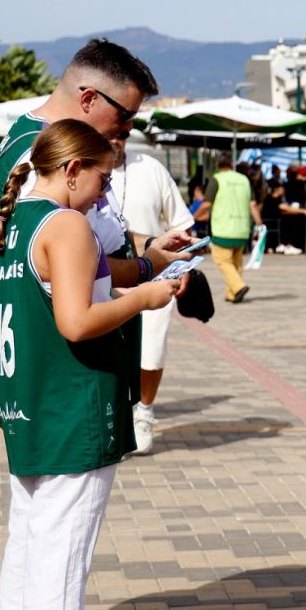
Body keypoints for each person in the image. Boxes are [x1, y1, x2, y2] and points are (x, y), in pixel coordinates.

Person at [0, 120, 186, 610]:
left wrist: (138, 272)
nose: (104, 193)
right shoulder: (64, 224)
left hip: (28, 403)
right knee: (60, 562)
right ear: (71, 169)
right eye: (101, 177)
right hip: (71, 405)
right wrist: (146, 296)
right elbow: (76, 320)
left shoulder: (12, 222)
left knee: (27, 555)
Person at [108, 134, 195, 456]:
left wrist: (184, 265)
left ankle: (144, 411)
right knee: (107, 352)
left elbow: (181, 223)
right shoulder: (84, 167)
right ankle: (113, 417)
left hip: (154, 276)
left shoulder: (151, 168)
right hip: (103, 277)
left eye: (124, 132)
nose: (117, 138)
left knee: (152, 350)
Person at [207, 156, 262, 303]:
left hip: (223, 228)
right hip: (242, 228)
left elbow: (207, 204)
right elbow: (252, 205)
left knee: (222, 260)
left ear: (217, 165)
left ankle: (238, 286)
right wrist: (259, 222)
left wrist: (193, 216)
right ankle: (231, 294)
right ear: (232, 164)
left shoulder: (217, 179)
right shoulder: (244, 180)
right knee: (236, 262)